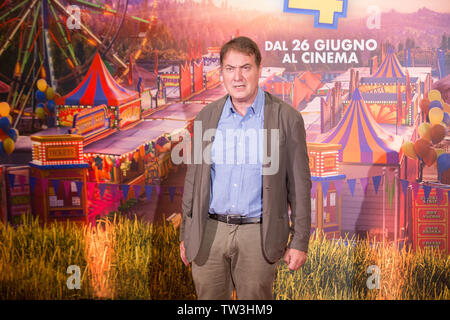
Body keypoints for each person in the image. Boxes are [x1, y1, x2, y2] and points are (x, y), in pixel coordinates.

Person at [179, 36, 311, 300]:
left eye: (245, 67)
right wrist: (187, 234)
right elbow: (194, 182)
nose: (237, 77)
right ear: (222, 74)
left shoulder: (286, 118)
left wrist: (299, 241)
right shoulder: (207, 116)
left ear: (258, 70)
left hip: (258, 235)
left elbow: (299, 185)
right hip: (209, 233)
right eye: (230, 68)